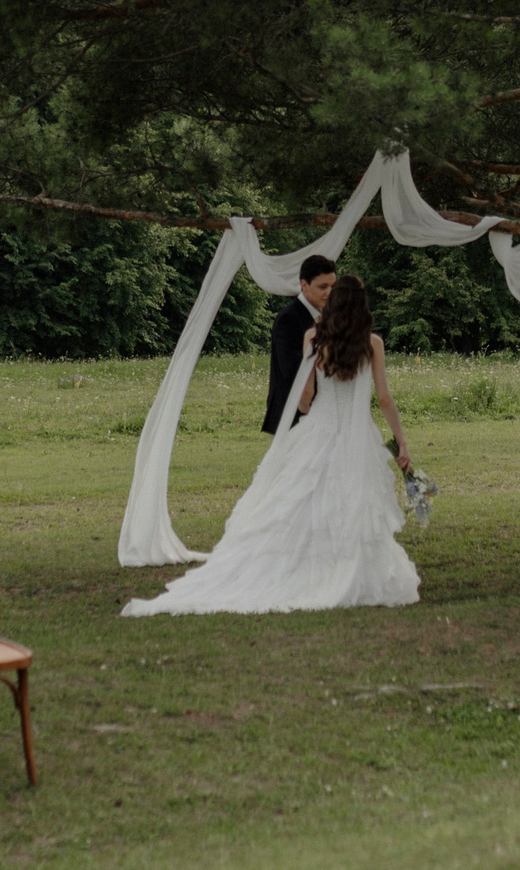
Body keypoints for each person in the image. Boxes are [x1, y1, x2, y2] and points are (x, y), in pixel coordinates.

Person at [127, 274, 419, 616]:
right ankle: (345, 570)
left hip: (318, 431)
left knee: (301, 502)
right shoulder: (373, 344)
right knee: (351, 505)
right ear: (362, 305)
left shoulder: (313, 337)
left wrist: (307, 404)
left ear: (335, 301)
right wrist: (401, 442)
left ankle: (304, 568)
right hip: (357, 438)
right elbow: (383, 398)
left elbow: (306, 397)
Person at [263, 254, 337, 435]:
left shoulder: (328, 315)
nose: (329, 292)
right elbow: (292, 370)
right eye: (323, 287)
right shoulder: (288, 319)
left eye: (332, 286)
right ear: (304, 285)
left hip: (321, 410)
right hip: (293, 413)